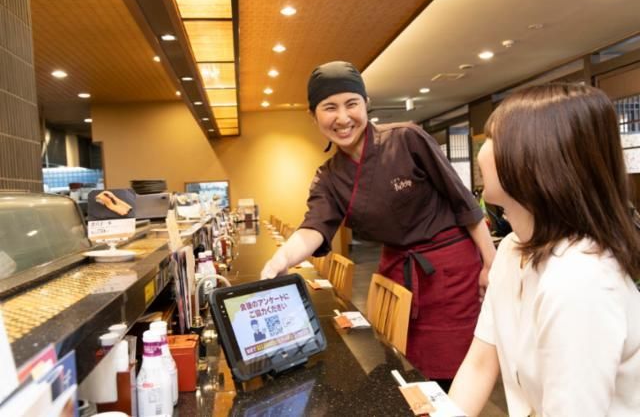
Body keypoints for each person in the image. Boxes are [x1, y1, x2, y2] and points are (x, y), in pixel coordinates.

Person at [261, 61, 496, 388]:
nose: (343, 118)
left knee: (453, 373)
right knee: (401, 366)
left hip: (450, 272)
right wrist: (282, 258)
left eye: (351, 104)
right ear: (313, 116)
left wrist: (490, 263)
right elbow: (314, 227)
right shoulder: (329, 176)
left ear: (366, 104)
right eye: (330, 107)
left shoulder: (407, 138)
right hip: (398, 274)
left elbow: (463, 202)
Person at [448, 84, 640, 416]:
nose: (482, 149)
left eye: (494, 138)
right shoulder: (512, 249)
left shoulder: (581, 280)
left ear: (535, 159)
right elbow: (480, 363)